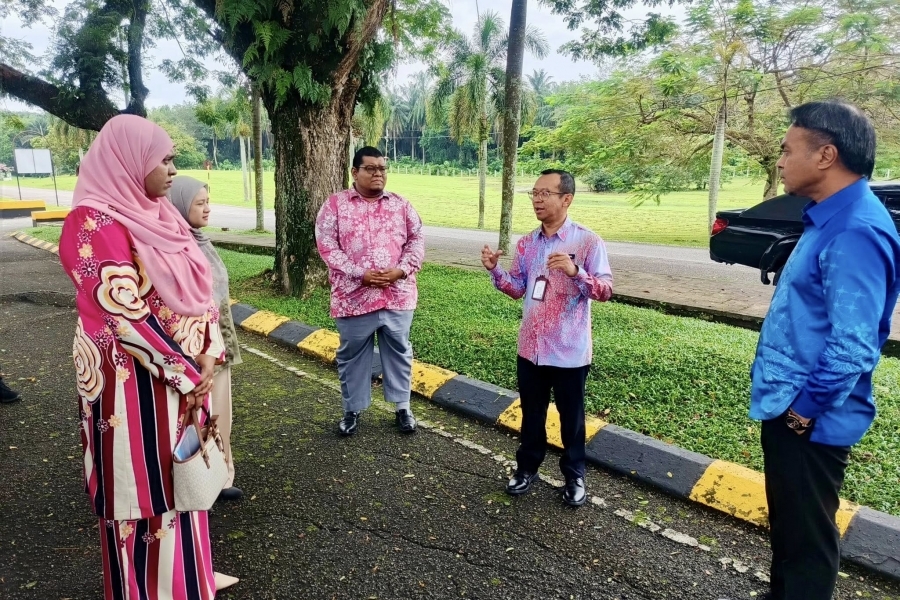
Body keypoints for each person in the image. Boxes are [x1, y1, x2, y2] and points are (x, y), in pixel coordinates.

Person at [59, 114, 238, 598]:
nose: (173, 169)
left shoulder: (161, 216)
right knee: (140, 495)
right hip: (130, 388)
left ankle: (191, 581)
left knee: (186, 481)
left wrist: (209, 351)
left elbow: (201, 292)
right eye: (164, 159)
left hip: (181, 380)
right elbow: (124, 316)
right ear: (130, 161)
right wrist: (188, 374)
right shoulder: (92, 223)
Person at [750, 101, 900, 600]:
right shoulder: (829, 218)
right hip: (790, 405)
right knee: (791, 534)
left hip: (809, 418)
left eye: (787, 150)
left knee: (807, 546)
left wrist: (802, 413)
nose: (780, 161)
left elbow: (853, 346)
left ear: (825, 155)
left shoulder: (857, 229)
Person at [481, 169, 613, 507]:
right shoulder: (527, 243)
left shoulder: (587, 242)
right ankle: (527, 468)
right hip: (531, 347)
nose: (537, 200)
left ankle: (574, 476)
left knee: (572, 419)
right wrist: (495, 269)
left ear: (566, 199)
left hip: (569, 350)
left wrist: (575, 272)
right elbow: (518, 288)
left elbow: (605, 291)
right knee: (532, 414)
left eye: (545, 194)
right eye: (534, 193)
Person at [315, 146, 425, 436]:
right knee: (351, 355)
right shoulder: (335, 205)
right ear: (355, 172)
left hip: (396, 295)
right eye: (371, 168)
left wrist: (402, 270)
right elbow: (326, 246)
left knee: (399, 351)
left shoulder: (401, 205)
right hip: (353, 298)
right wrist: (358, 273)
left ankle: (403, 408)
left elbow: (416, 240)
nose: (378, 174)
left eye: (382, 169)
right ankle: (351, 410)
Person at [169, 176, 244, 502]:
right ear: (179, 205)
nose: (207, 209)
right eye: (199, 203)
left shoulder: (198, 240)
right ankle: (195, 477)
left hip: (217, 341)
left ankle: (220, 475)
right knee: (192, 414)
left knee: (220, 412)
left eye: (208, 202)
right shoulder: (174, 245)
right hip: (192, 347)